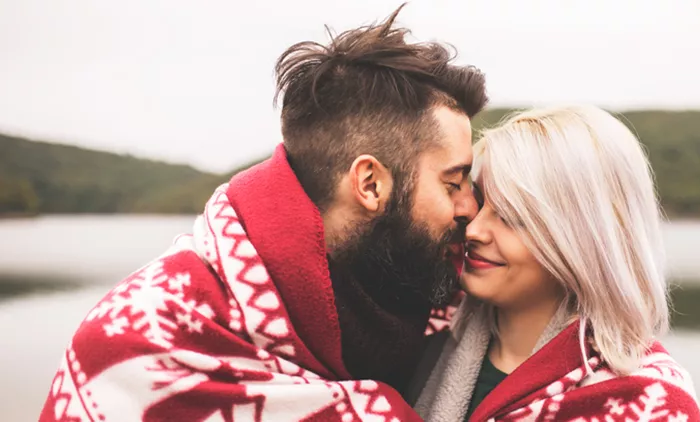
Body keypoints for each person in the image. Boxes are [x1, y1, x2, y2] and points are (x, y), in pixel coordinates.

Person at [38, 5, 487, 421]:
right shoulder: (137, 343)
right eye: (453, 183)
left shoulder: (437, 295)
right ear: (370, 184)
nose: (470, 207)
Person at [410, 105, 700, 421]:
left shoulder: (651, 404)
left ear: (582, 238)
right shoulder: (418, 332)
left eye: (511, 217)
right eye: (479, 201)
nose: (475, 229)